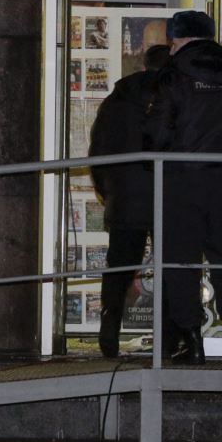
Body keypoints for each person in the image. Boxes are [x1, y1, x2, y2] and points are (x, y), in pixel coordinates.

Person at [144, 10, 222, 364]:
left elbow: (155, 134)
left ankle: (192, 341)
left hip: (180, 181)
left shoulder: (171, 76)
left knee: (181, 261)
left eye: (172, 41)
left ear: (179, 39)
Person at [88, 43, 171, 357]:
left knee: (120, 266)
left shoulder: (117, 100)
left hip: (125, 194)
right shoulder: (176, 96)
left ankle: (109, 329)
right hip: (168, 196)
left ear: (144, 66)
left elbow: (98, 149)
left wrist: (107, 189)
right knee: (170, 265)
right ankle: (167, 336)